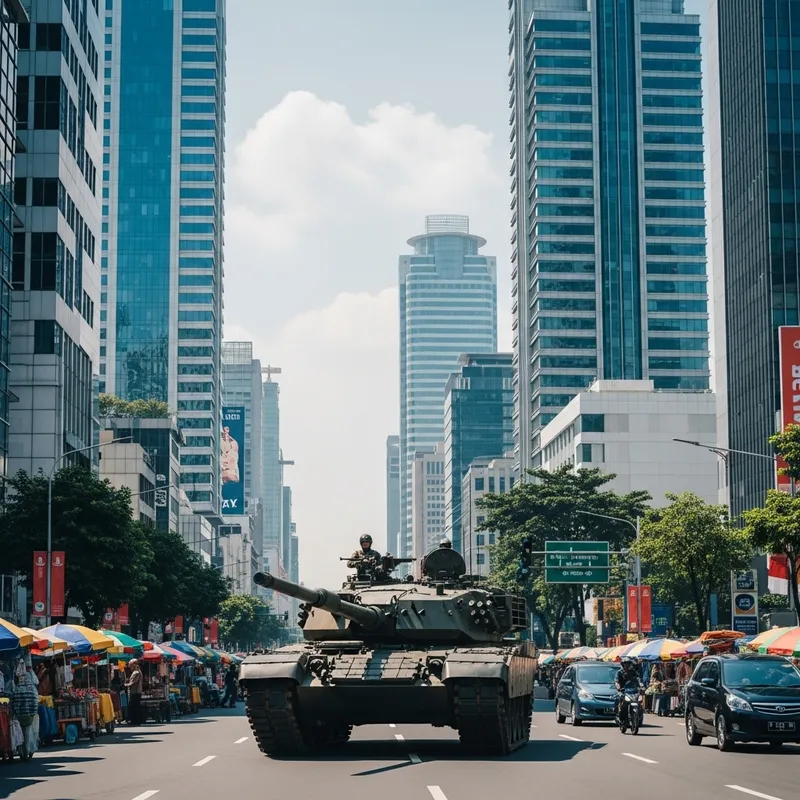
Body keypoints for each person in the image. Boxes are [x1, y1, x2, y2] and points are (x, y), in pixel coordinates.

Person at [614, 657, 643, 723]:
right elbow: (616, 681)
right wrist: (618, 687)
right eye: (625, 664)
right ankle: (618, 715)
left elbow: (638, 679)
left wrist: (641, 685)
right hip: (623, 691)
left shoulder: (633, 672)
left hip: (632, 691)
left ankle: (638, 716)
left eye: (628, 664)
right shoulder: (619, 672)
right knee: (619, 700)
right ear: (622, 664)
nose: (627, 665)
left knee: (639, 702)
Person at [125, 659, 143, 726]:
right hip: (136, 692)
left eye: (131, 665)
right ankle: (135, 721)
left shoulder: (136, 672)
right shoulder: (136, 672)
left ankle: (135, 721)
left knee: (133, 707)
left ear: (134, 665)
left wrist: (126, 685)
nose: (130, 667)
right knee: (135, 707)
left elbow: (133, 682)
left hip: (135, 692)